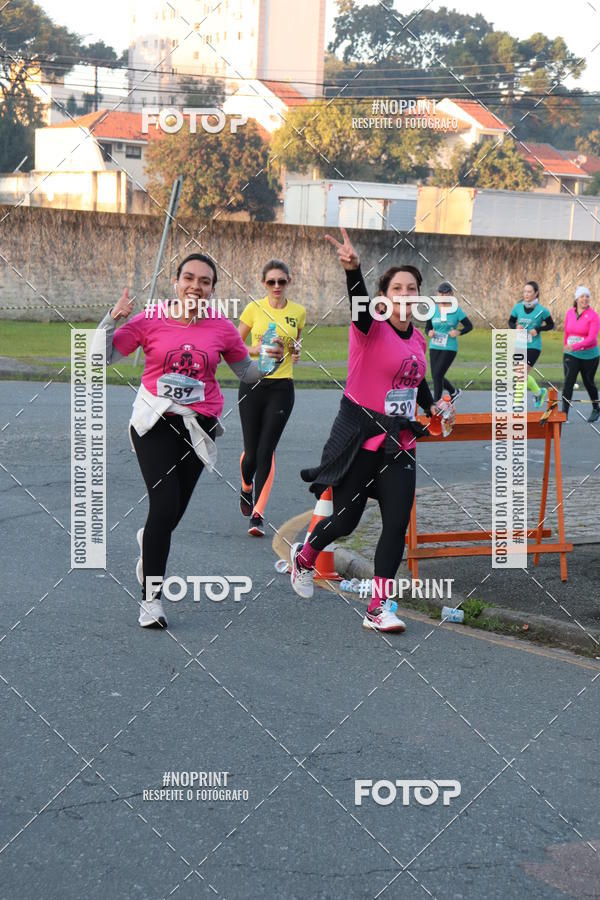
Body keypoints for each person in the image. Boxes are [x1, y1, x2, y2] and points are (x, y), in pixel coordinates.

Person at [96, 253, 283, 629]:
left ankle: (149, 540)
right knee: (164, 506)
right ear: (176, 281)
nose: (195, 286)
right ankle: (151, 601)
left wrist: (269, 363)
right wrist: (112, 318)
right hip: (155, 422)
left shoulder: (221, 327)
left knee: (171, 513)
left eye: (205, 281)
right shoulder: (150, 319)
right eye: (189, 278)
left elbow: (245, 372)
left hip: (200, 426)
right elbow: (101, 356)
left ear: (213, 289)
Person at [289, 228, 449, 634]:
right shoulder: (369, 326)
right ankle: (306, 556)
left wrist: (432, 405)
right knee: (344, 522)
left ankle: (378, 607)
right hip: (361, 436)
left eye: (413, 288)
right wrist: (354, 270)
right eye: (398, 287)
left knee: (396, 521)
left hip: (400, 441)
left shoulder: (417, 338)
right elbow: (358, 304)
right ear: (384, 295)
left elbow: (417, 380)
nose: (406, 294)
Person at [237, 260, 306, 536]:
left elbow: (296, 343)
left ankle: (258, 514)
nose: (277, 286)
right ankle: (245, 488)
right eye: (271, 282)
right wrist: (255, 348)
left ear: (289, 281)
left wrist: (296, 351)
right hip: (252, 384)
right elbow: (233, 345)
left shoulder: (299, 312)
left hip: (282, 388)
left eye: (282, 281)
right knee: (251, 453)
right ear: (263, 283)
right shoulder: (253, 309)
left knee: (267, 451)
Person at [508, 281, 554, 409]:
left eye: (529, 292)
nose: (526, 294)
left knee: (521, 373)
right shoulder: (517, 307)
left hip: (534, 346)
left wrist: (538, 329)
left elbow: (551, 325)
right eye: (525, 292)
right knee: (520, 374)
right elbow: (510, 322)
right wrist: (516, 326)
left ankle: (517, 404)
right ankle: (539, 393)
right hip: (520, 345)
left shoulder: (542, 310)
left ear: (536, 293)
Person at [425, 281, 473, 402]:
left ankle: (435, 403)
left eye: (446, 294)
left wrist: (458, 332)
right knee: (436, 375)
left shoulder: (456, 311)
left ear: (451, 295)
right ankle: (453, 392)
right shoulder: (433, 310)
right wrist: (429, 332)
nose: (443, 296)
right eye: (441, 293)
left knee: (437, 375)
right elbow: (428, 327)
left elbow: (469, 326)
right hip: (435, 345)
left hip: (449, 347)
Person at [562, 286, 600, 423]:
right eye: (582, 296)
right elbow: (567, 332)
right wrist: (566, 346)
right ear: (576, 298)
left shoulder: (594, 316)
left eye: (587, 296)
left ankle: (596, 408)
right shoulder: (569, 313)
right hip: (571, 354)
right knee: (568, 382)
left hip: (590, 355)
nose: (584, 299)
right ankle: (564, 414)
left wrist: (574, 346)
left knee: (588, 382)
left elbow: (591, 338)